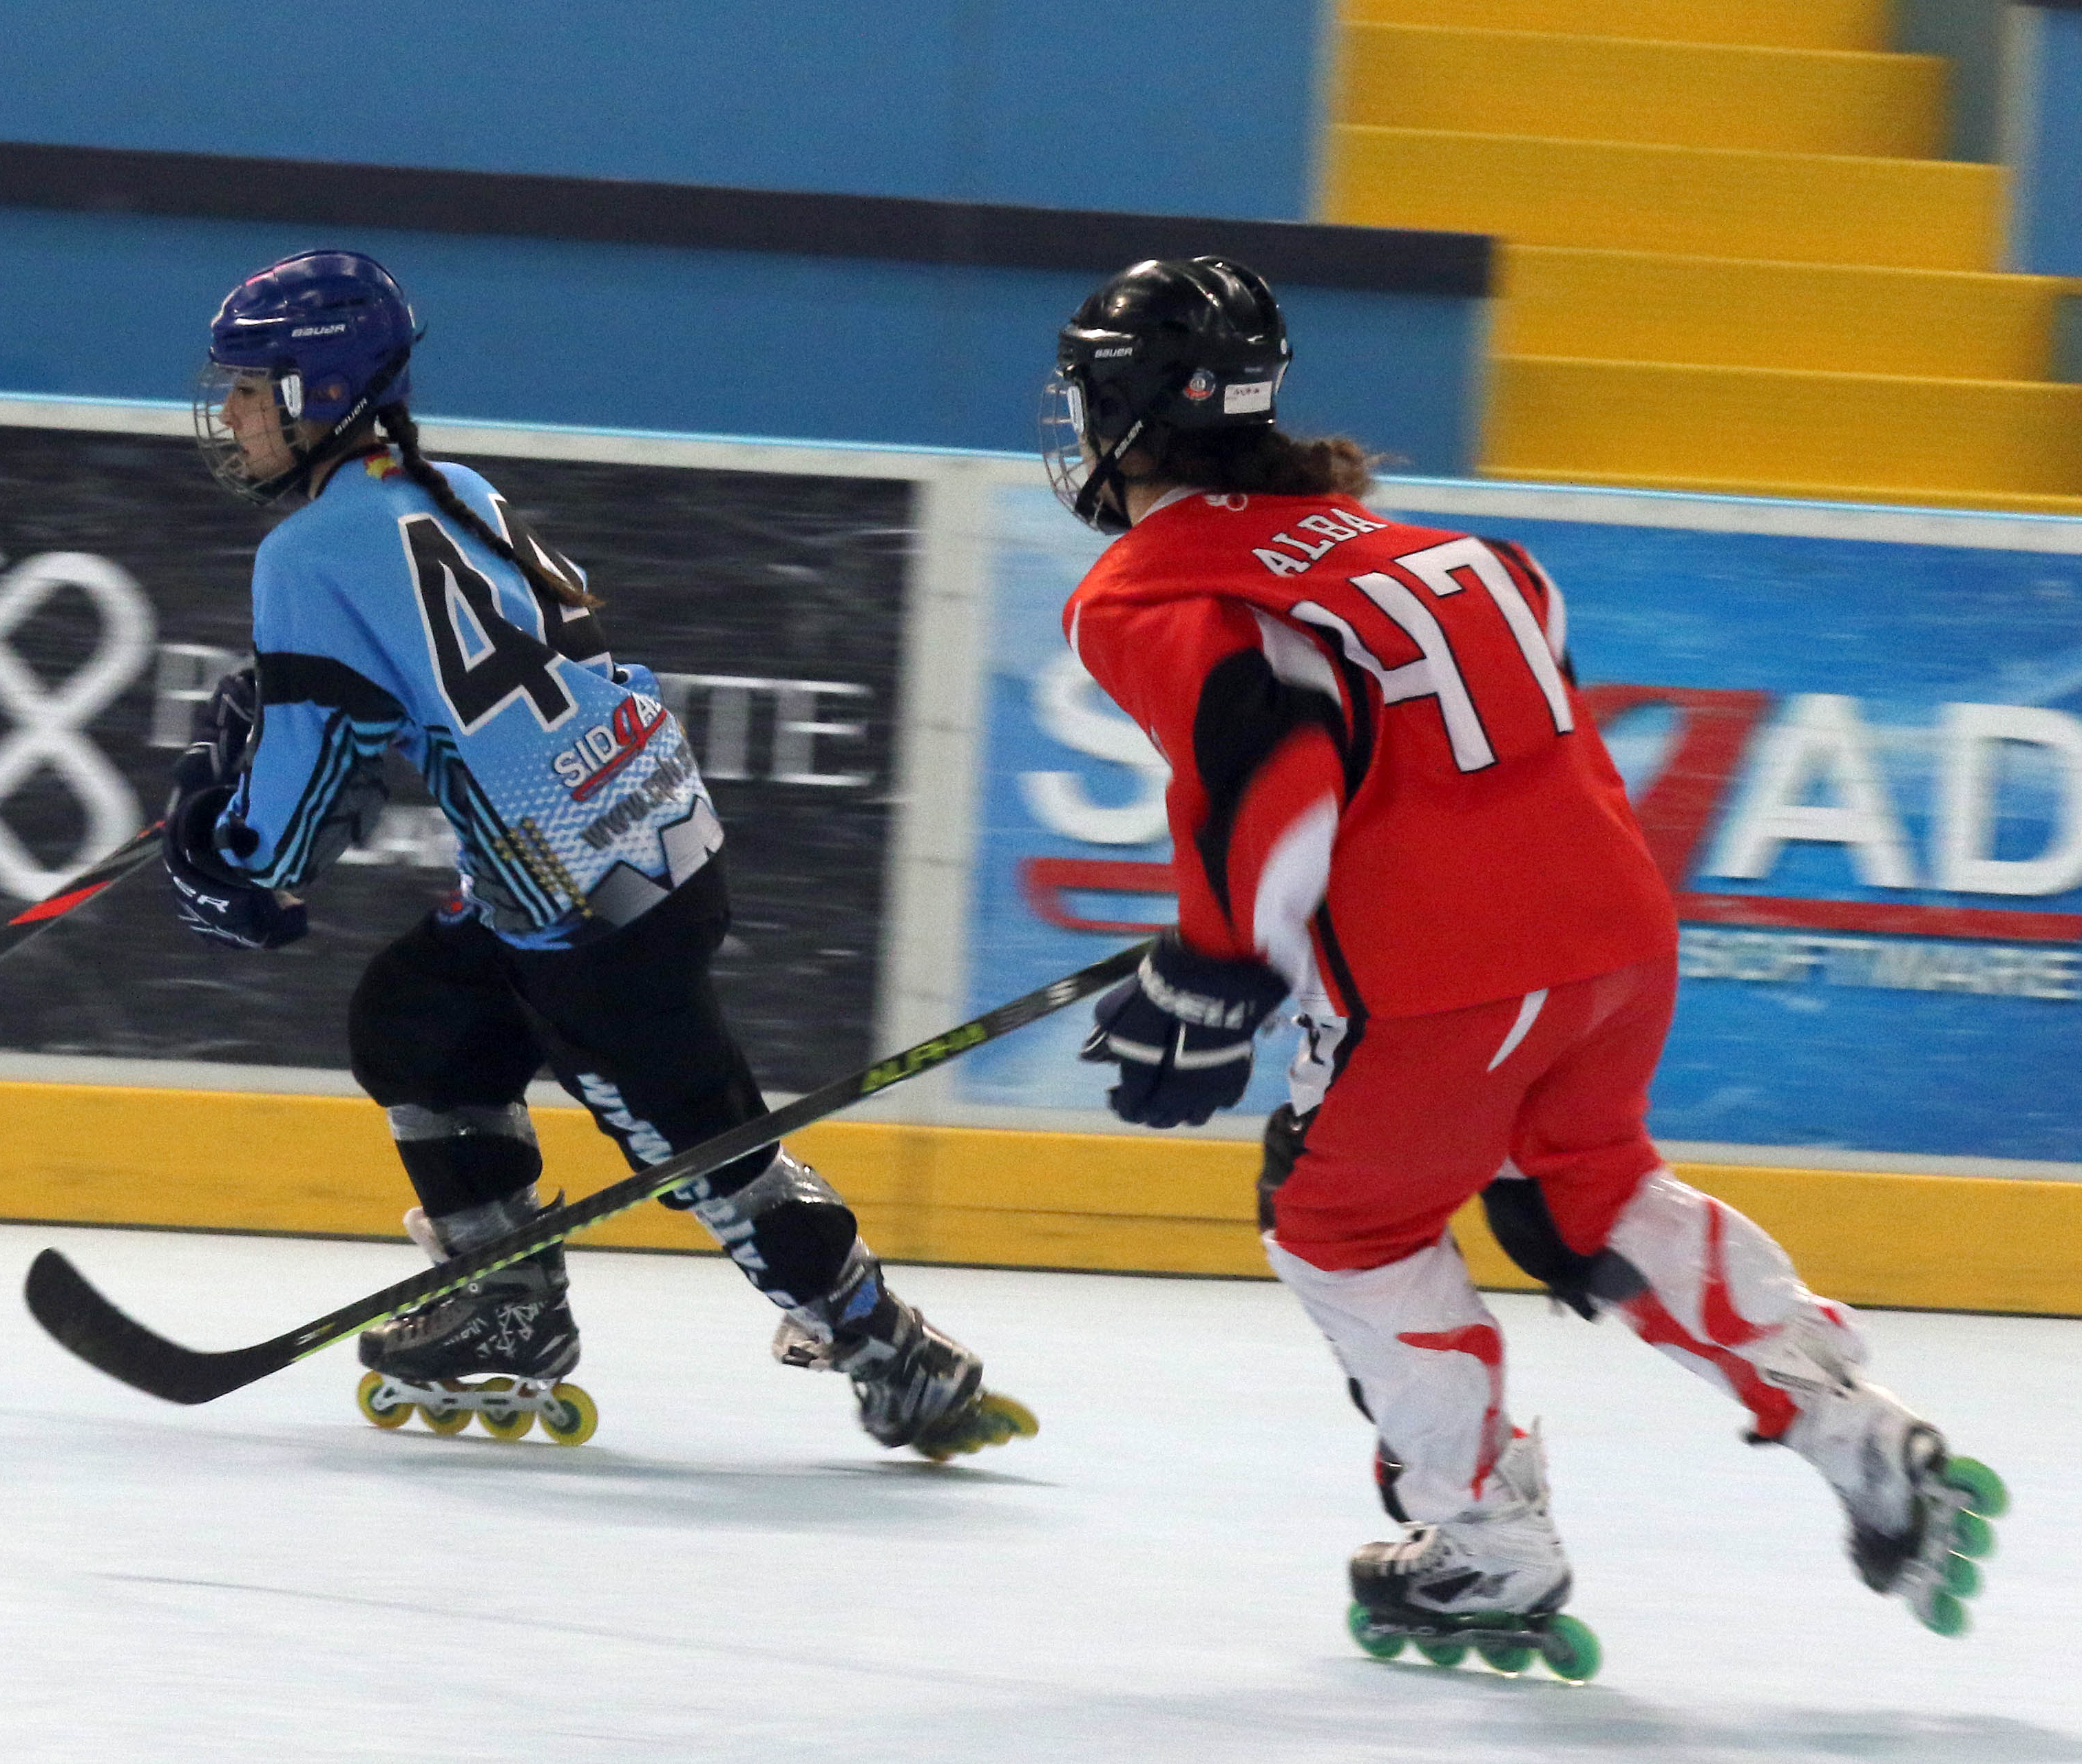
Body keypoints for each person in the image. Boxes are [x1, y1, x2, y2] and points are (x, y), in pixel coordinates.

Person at [1045, 256, 2008, 1660]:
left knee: (1341, 1223)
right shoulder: (1440, 549)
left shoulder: (1144, 585)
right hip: (1614, 937)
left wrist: (1224, 960)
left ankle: (1485, 1539)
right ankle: (1847, 1421)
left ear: (1122, 419)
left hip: (1452, 979)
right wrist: (1260, 925)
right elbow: (1493, 682)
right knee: (1580, 1193)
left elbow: (1284, 755)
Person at [164, 247, 1035, 1460]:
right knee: (418, 1017)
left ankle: (890, 1345)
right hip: (643, 844)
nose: (233, 415)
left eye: (254, 390)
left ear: (320, 392)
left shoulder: (305, 553)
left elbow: (308, 776)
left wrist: (236, 858)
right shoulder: (444, 487)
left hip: (579, 905)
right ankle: (508, 1304)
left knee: (701, 1146)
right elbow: (410, 699)